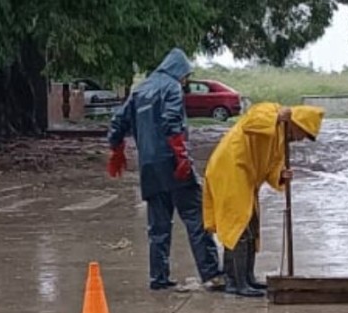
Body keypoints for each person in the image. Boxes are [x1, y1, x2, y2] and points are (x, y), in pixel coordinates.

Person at [107, 48, 223, 290]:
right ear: (179, 71)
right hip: (172, 162)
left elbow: (118, 121)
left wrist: (116, 148)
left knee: (158, 226)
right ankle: (211, 274)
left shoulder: (139, 90)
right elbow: (172, 122)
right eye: (186, 76)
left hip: (149, 167)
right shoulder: (172, 88)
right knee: (196, 218)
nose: (186, 81)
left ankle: (158, 278)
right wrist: (181, 156)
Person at [203, 102, 322, 297]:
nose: (301, 139)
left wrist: (281, 175)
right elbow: (250, 122)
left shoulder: (281, 140)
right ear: (297, 124)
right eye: (303, 134)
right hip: (230, 170)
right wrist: (277, 117)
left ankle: (247, 278)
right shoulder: (270, 111)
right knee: (238, 227)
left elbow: (272, 166)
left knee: (251, 227)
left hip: (245, 178)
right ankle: (236, 282)